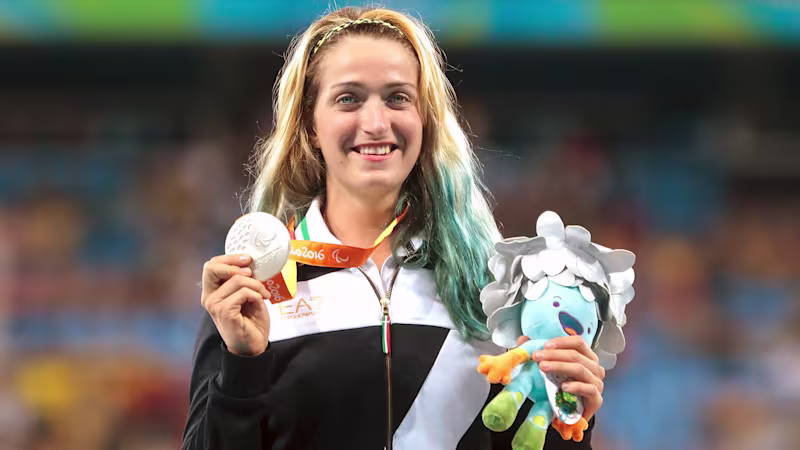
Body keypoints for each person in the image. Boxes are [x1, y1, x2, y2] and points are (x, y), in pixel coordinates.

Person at [182, 6, 606, 450]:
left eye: (397, 98)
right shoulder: (258, 290)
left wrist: (570, 418)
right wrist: (242, 368)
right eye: (349, 98)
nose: (376, 123)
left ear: (425, 118)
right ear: (310, 123)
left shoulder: (492, 290)